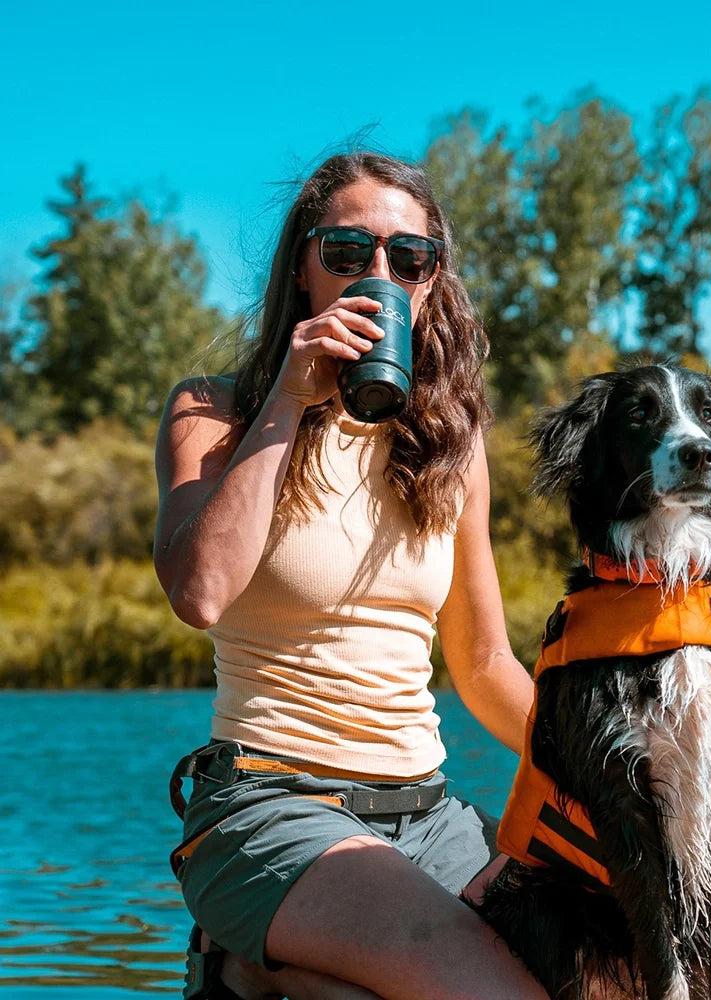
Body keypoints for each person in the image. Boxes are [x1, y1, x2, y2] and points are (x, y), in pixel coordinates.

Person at [154, 151, 546, 1000]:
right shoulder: (213, 412)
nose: (380, 277)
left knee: (617, 969)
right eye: (347, 253)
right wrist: (292, 397)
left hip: (432, 817)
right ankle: (268, 947)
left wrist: (618, 772)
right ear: (303, 270)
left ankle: (258, 970)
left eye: (409, 259)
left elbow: (482, 667)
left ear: (432, 283)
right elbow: (200, 592)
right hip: (268, 807)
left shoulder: (453, 444)